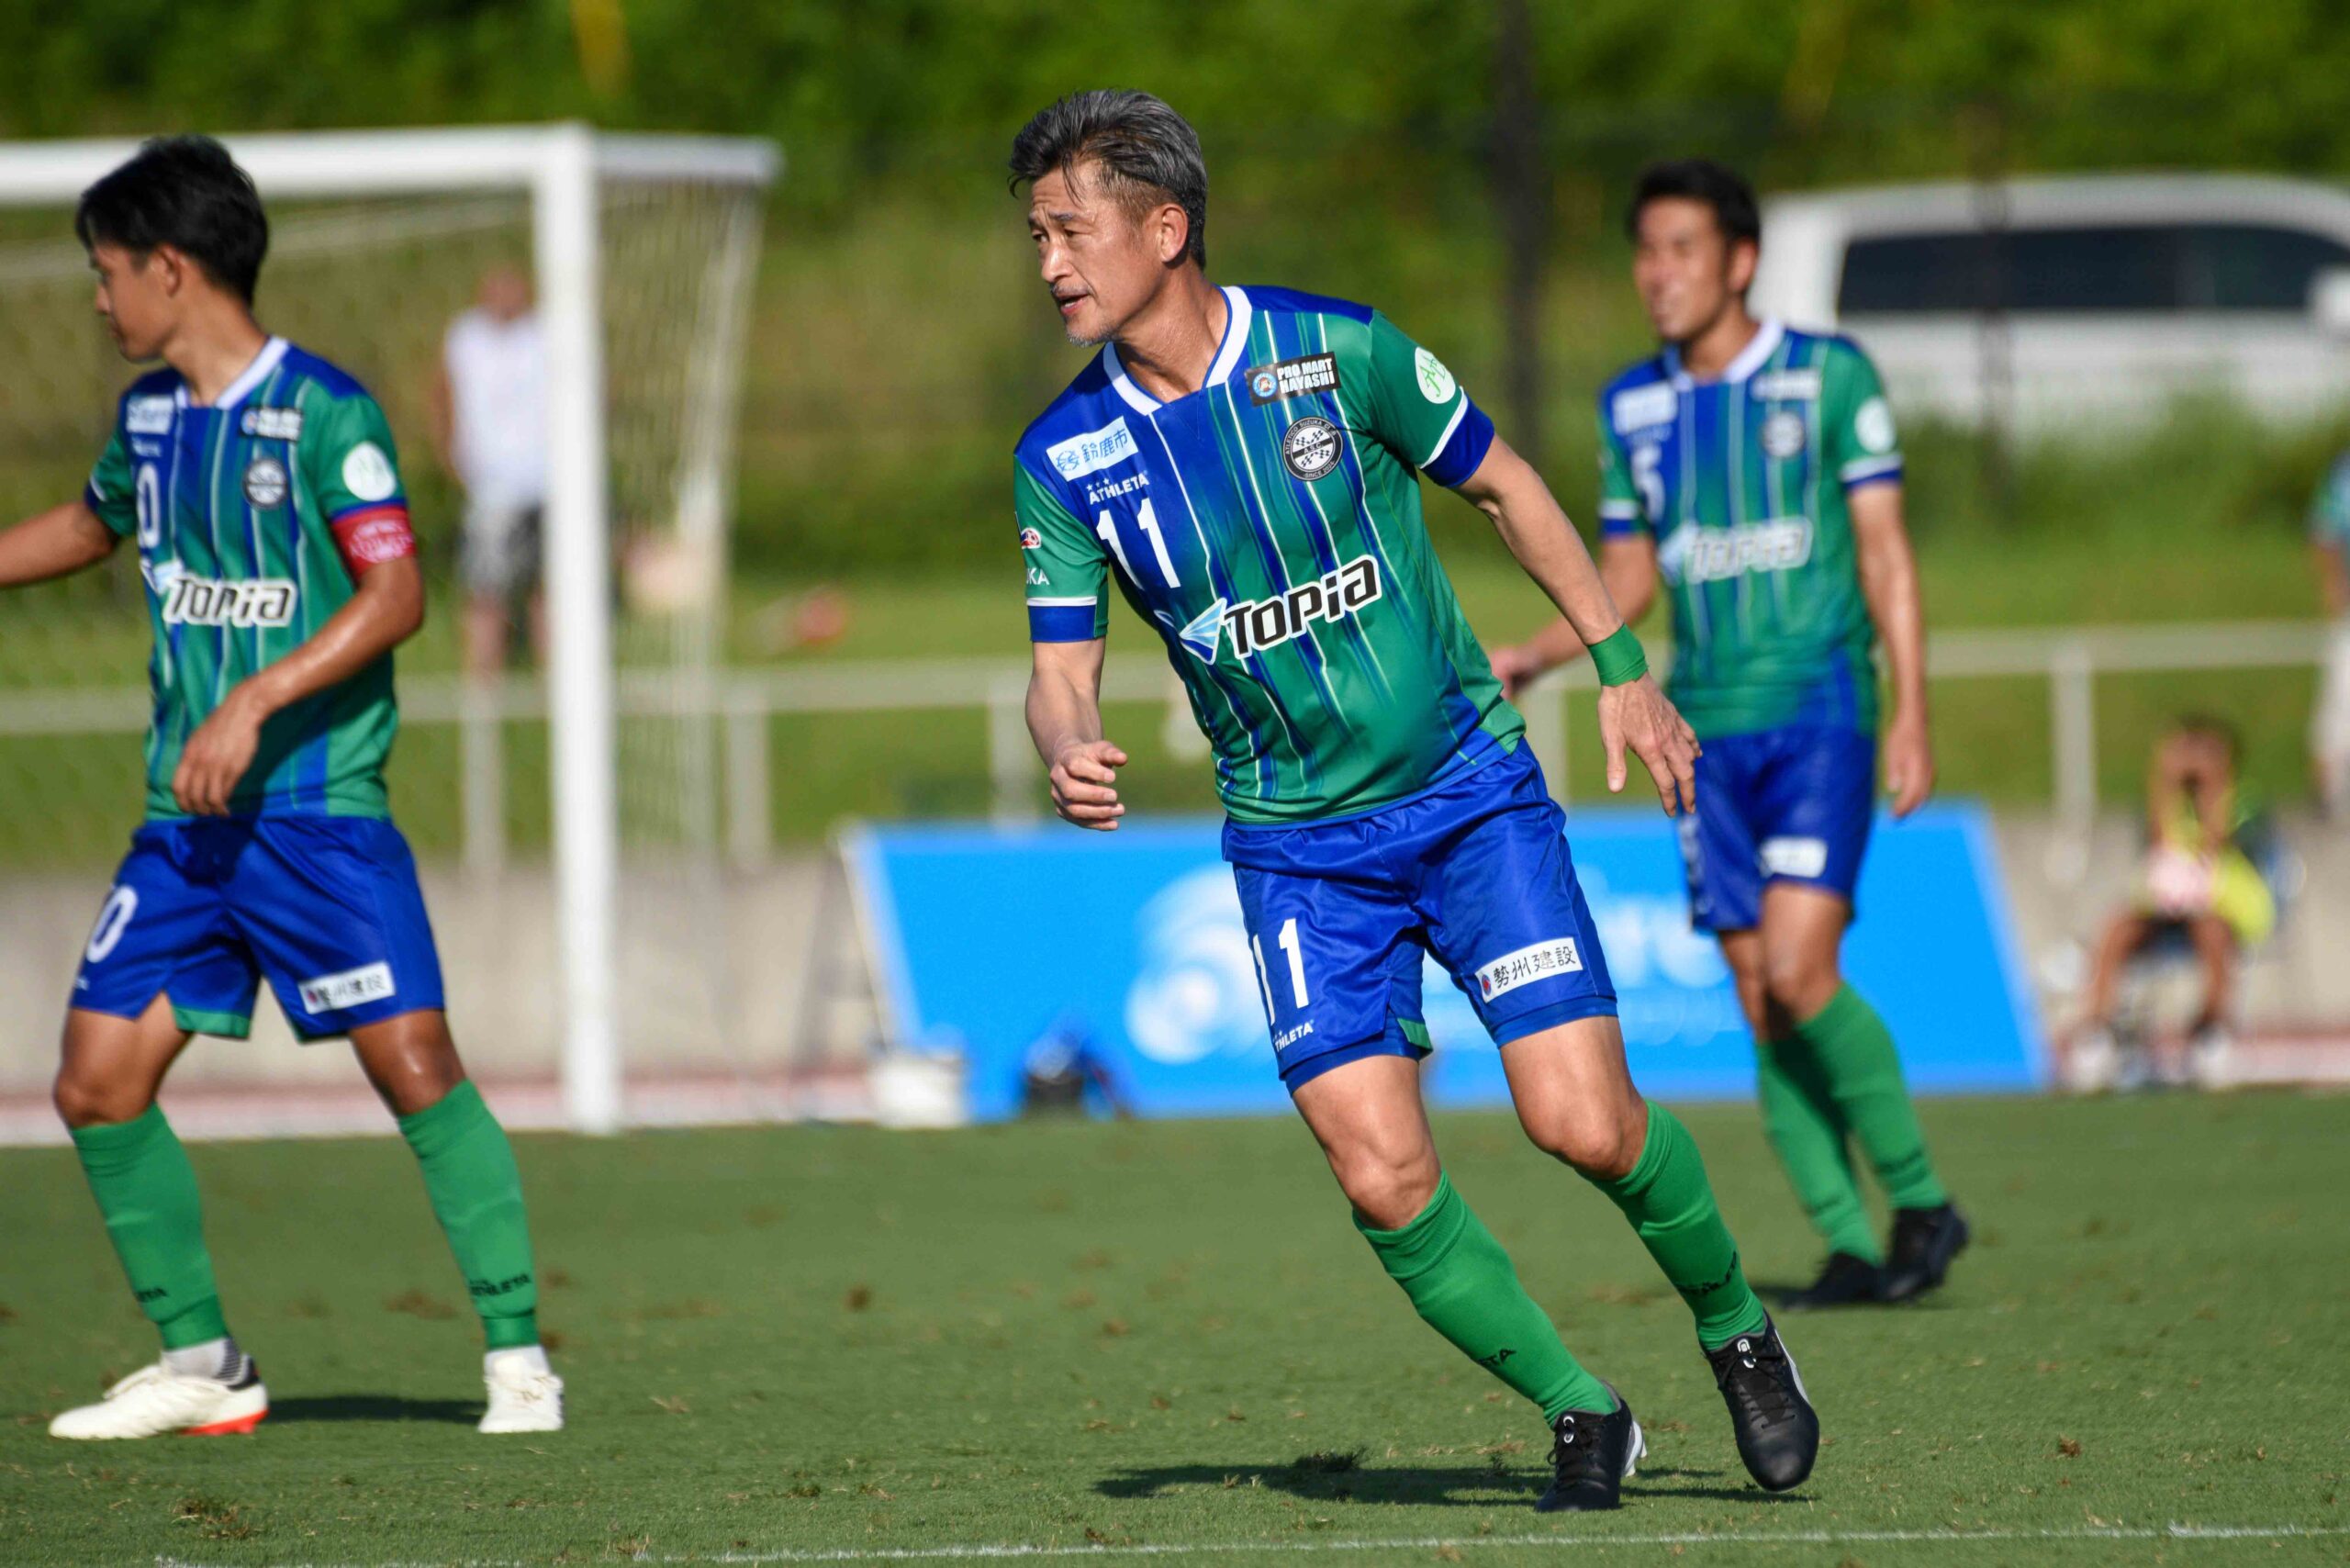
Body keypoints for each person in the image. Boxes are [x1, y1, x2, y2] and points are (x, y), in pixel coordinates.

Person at [1009, 93, 1817, 1512]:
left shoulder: (1340, 352)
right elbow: (1058, 672)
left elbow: (1507, 489)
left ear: (1166, 227)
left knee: (1584, 1125)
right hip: (1297, 857)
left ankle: (1739, 1330)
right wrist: (1067, 741)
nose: (1052, 262)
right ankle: (1583, 1411)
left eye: (1072, 230)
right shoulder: (1062, 457)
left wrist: (1622, 668)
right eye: (1037, 237)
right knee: (1382, 1177)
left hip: (1467, 799)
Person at [1, 137, 561, 1439]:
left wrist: (253, 700)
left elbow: (398, 592)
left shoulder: (325, 413)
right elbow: (89, 526)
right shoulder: (147, 420)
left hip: (316, 818)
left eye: (106, 273)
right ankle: (205, 1360)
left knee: (413, 1064)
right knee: (95, 1082)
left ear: (170, 269)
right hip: (185, 830)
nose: (98, 300)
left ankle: (520, 1359)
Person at [1489, 161, 1965, 1311]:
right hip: (1700, 738)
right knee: (1758, 997)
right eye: (1645, 251)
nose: (1657, 273)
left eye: (1682, 249)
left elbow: (1886, 553)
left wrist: (1911, 706)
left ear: (1739, 261)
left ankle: (1920, 1200)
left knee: (1800, 972)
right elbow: (1626, 574)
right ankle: (1848, 1244)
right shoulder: (1632, 407)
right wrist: (1538, 653)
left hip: (1818, 713)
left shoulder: (1829, 376)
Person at [2063, 718, 2276, 1092]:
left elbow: (2215, 843)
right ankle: (2095, 1032)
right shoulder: (2173, 805)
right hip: (2172, 907)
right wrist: (2164, 779)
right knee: (2119, 928)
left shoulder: (2244, 803)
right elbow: (2161, 844)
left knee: (2211, 933)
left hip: (2227, 906)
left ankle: (2211, 1032)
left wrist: (2213, 785)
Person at [429, 263, 548, 678]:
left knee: (549, 585)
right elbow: (441, 392)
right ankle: (482, 682)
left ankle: (558, 682)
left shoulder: (548, 333)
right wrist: (447, 452)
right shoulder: (465, 337)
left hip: (548, 482)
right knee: (485, 588)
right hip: (490, 486)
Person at [2310, 454, 2350, 820]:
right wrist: (2334, 586)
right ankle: (2332, 795)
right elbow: (2325, 532)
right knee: (2342, 699)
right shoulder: (2343, 475)